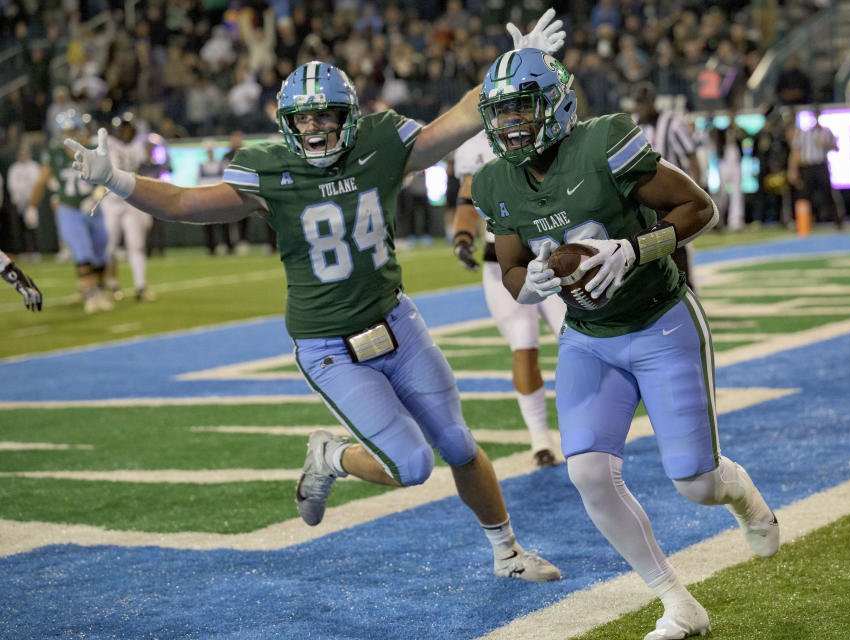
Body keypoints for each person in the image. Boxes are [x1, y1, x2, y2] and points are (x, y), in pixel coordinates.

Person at [66, 11, 567, 584]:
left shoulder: (381, 143)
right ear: (286, 125)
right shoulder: (270, 170)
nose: (315, 131)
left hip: (397, 324)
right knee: (411, 465)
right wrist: (118, 180)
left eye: (325, 116)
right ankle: (331, 456)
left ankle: (507, 554)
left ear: (348, 117)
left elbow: (456, 121)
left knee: (457, 442)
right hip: (329, 344)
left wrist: (512, 73)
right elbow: (183, 204)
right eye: (303, 121)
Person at [472, 48, 779, 640]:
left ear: (557, 105)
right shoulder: (495, 181)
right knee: (587, 473)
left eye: (523, 109)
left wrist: (636, 247)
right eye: (501, 112)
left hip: (661, 320)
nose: (511, 124)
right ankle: (677, 603)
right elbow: (511, 267)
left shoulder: (604, 142)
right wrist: (529, 284)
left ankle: (743, 495)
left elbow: (700, 207)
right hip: (588, 339)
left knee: (696, 483)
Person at [452, 130, 565, 466]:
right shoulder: (474, 145)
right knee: (524, 343)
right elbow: (467, 199)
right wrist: (461, 236)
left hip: (552, 252)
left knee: (576, 341)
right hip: (503, 259)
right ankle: (539, 439)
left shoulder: (548, 130)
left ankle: (587, 427)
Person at [30, 110, 112, 314]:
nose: (69, 133)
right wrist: (32, 205)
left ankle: (100, 290)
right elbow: (43, 178)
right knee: (82, 250)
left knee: (101, 250)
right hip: (69, 209)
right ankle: (91, 293)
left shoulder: (92, 148)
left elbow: (106, 178)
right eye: (66, 130)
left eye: (72, 129)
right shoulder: (54, 151)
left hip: (92, 207)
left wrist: (96, 195)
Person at [631, 82, 700, 290]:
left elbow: (692, 156)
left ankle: (686, 290)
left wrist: (698, 187)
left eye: (646, 102)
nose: (643, 107)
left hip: (671, 197)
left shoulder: (672, 123)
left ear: (653, 101)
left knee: (676, 244)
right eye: (640, 102)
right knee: (645, 248)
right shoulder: (631, 125)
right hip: (643, 199)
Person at [101, 111, 155, 302]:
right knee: (109, 246)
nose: (125, 132)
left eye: (128, 128)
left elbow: (141, 173)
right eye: (122, 128)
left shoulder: (138, 147)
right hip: (111, 200)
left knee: (136, 245)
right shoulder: (107, 144)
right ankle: (111, 285)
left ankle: (141, 287)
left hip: (131, 200)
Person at [789, 107, 843, 228]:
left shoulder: (826, 132)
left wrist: (826, 144)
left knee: (828, 193)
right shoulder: (802, 133)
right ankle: (802, 222)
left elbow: (836, 147)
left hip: (821, 165)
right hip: (807, 166)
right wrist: (793, 169)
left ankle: (837, 220)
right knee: (804, 195)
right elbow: (796, 151)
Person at [7, 145, 42, 261]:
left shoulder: (33, 166)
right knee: (20, 227)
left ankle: (35, 250)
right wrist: (20, 197)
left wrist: (31, 198)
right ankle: (25, 250)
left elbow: (37, 183)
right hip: (19, 202)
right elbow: (12, 185)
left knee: (32, 226)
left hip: (32, 201)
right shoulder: (14, 168)